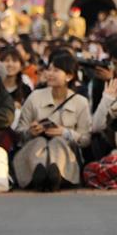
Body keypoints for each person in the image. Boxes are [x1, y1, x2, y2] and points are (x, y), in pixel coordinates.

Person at [14, 54, 91, 191]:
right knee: (40, 142)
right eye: (49, 69)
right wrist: (30, 132)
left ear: (69, 76)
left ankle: (55, 174)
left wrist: (65, 133)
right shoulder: (35, 97)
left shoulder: (81, 102)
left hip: (66, 152)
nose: (50, 74)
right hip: (34, 147)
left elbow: (86, 139)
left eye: (56, 70)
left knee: (58, 142)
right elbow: (19, 132)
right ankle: (40, 174)